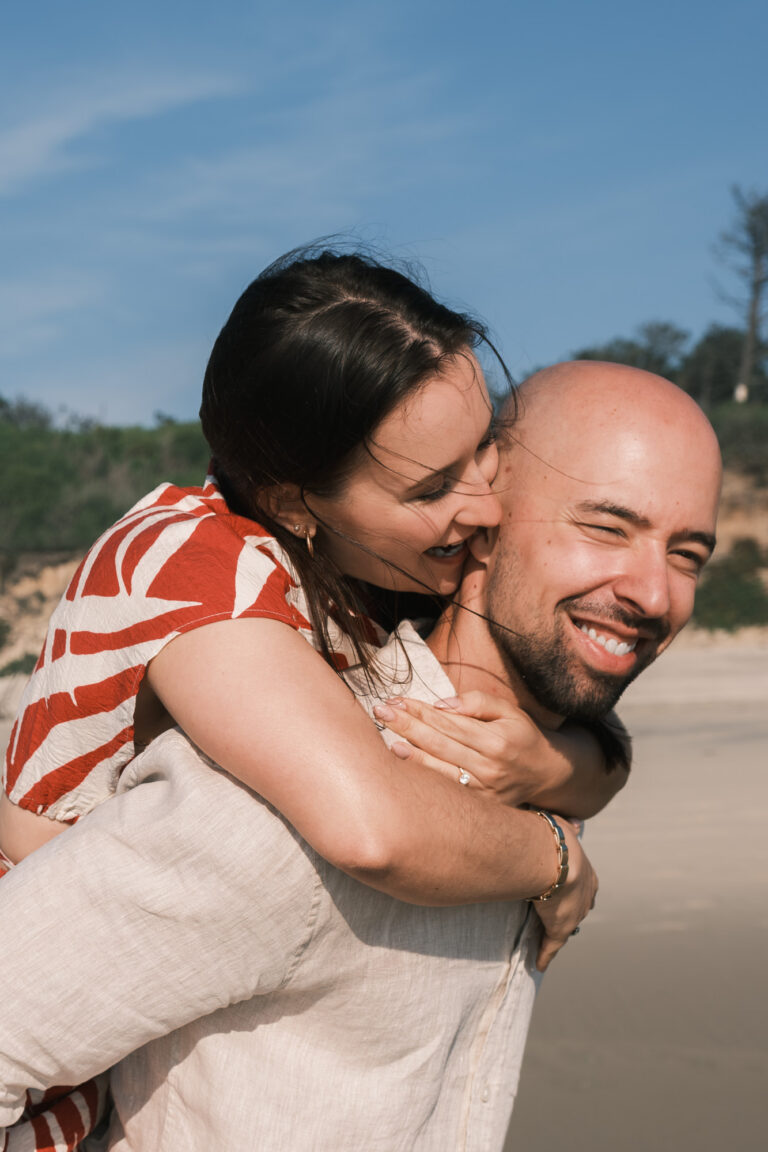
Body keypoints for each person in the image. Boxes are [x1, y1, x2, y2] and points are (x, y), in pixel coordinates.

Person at [0, 363, 722, 1150]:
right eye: (607, 529)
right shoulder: (286, 803)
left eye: (688, 555)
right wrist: (552, 855)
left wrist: (567, 786)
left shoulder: (533, 777)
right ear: (480, 517)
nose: (655, 595)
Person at [1, 248, 604, 904]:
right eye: (432, 489)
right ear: (292, 504)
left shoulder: (373, 561)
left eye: (483, 447)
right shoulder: (189, 568)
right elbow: (374, 832)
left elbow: (593, 735)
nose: (487, 508)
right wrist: (558, 858)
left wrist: (549, 767)